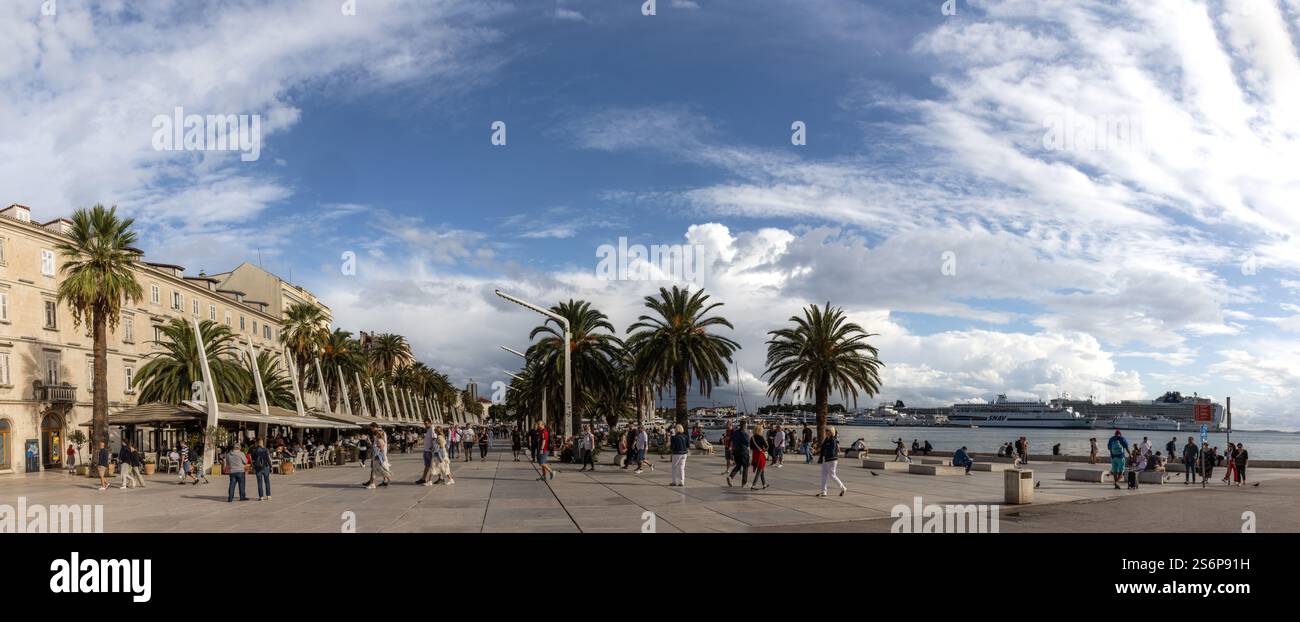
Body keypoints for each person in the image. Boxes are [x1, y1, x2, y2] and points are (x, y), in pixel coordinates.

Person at [817, 426, 847, 497]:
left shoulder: (833, 440)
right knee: (824, 475)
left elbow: (832, 451)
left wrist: (826, 453)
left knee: (832, 475)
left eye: (827, 430)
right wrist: (820, 454)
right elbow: (823, 448)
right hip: (825, 459)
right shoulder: (826, 439)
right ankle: (824, 491)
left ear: (831, 432)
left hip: (831, 460)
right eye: (826, 430)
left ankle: (843, 488)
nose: (826, 432)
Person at [364, 425, 392, 489]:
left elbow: (381, 449)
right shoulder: (379, 440)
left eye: (376, 435)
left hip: (377, 457)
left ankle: (373, 484)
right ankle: (386, 479)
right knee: (379, 470)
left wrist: (377, 453)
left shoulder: (379, 440)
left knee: (375, 470)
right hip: (377, 457)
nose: (375, 436)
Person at [726, 420, 750, 487]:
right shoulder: (744, 433)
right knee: (745, 467)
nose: (747, 426)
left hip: (736, 451)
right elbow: (747, 443)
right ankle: (744, 483)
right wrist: (749, 435)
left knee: (738, 466)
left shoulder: (735, 432)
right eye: (746, 425)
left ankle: (730, 477)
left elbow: (731, 440)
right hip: (743, 452)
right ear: (744, 426)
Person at [418, 419, 438, 485]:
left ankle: (439, 478)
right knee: (427, 465)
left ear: (430, 423)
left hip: (429, 451)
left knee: (433, 466)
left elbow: (434, 438)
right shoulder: (428, 429)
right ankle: (423, 479)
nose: (425, 425)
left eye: (426, 423)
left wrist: (433, 448)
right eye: (424, 423)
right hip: (426, 450)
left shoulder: (432, 428)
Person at [750, 422, 769, 490]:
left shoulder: (752, 438)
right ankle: (753, 485)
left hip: (754, 455)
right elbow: (766, 447)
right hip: (760, 455)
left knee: (762, 471)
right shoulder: (761, 438)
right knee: (759, 471)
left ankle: (764, 484)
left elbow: (751, 447)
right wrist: (764, 448)